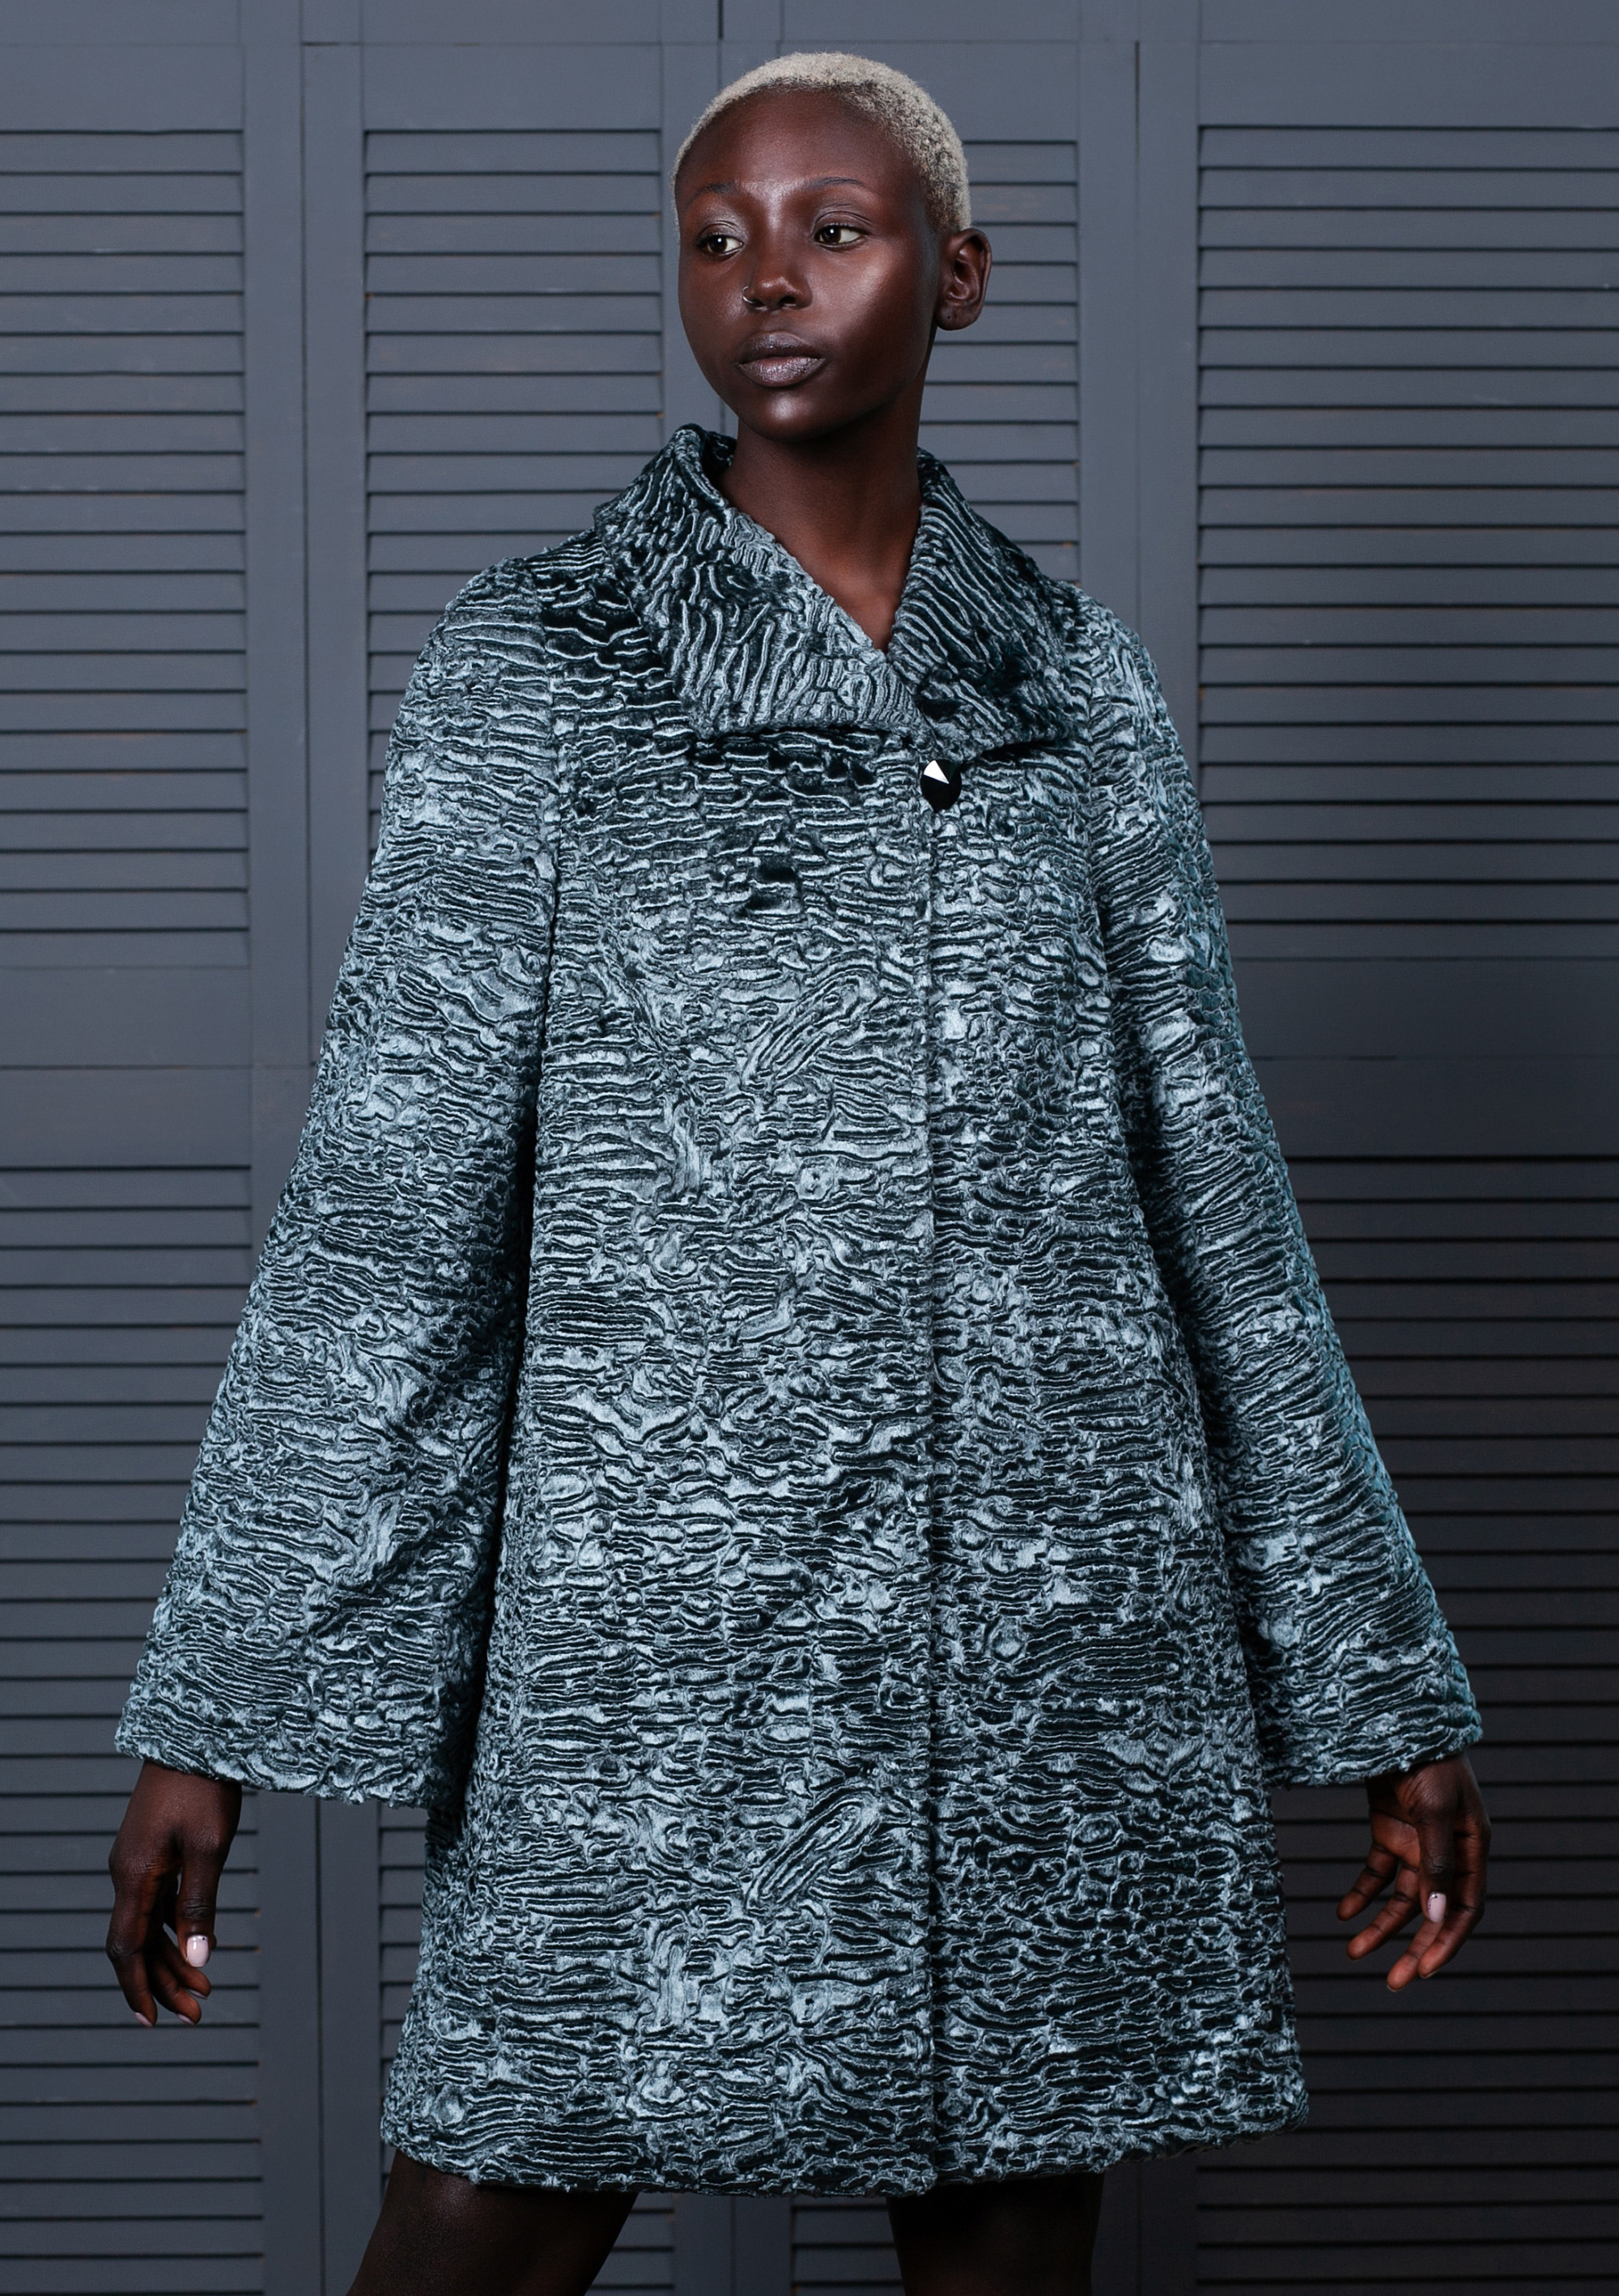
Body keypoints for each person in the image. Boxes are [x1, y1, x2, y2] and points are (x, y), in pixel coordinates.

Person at [104, 53, 1490, 2296]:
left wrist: (1385, 1690)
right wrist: (212, 1717)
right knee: (488, 2201)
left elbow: (1219, 1207)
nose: (765, 277)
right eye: (717, 236)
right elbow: (388, 1204)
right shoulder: (545, 664)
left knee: (1014, 2213)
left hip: (1057, 1640)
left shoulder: (1077, 686)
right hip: (658, 1641)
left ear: (957, 274)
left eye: (832, 229)